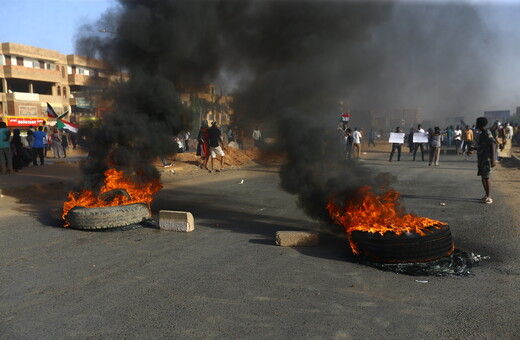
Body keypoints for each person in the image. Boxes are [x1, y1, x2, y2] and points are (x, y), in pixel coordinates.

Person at [470, 117, 496, 204]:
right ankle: (486, 195)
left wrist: (493, 159)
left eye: (477, 123)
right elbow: (482, 146)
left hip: (487, 159)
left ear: (480, 124)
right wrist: (474, 148)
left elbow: (492, 144)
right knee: (483, 176)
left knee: (487, 177)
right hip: (481, 159)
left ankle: (489, 196)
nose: (476, 124)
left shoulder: (487, 132)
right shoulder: (481, 134)